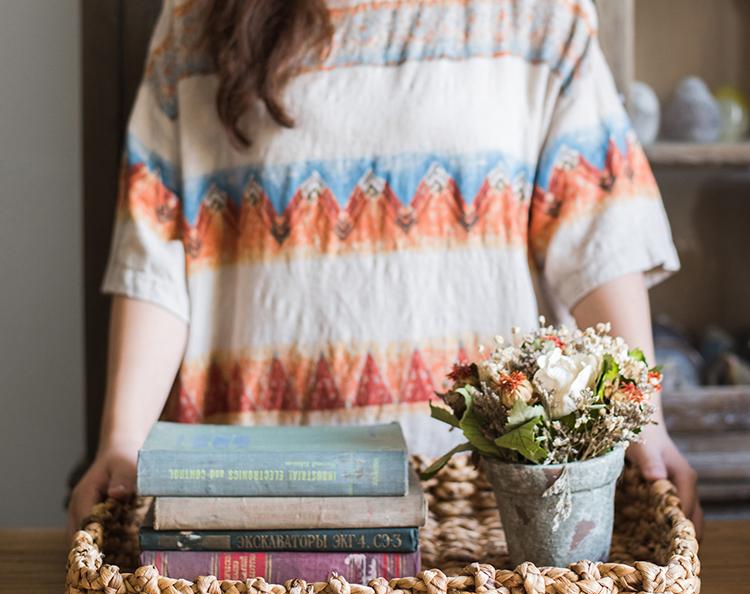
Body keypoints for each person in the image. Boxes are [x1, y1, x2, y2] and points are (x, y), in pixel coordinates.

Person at [68, 0, 703, 536]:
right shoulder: (197, 19)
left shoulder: (537, 13)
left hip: (490, 508)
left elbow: (598, 228)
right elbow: (156, 253)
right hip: (251, 506)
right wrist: (121, 442)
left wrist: (644, 422)